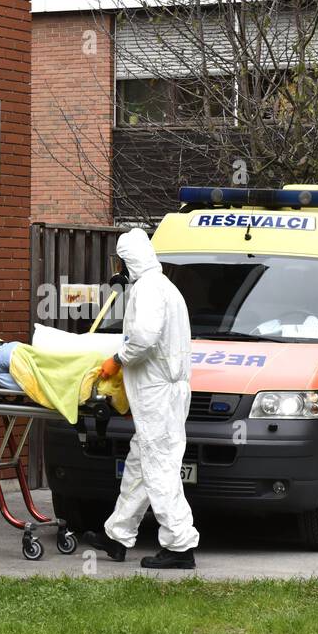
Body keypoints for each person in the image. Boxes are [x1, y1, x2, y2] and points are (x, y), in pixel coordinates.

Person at [83, 228, 200, 568]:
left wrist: (117, 360)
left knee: (159, 466)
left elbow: (145, 338)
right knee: (140, 462)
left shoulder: (148, 289)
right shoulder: (165, 287)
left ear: (126, 260)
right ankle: (117, 535)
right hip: (167, 391)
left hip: (157, 393)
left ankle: (180, 545)